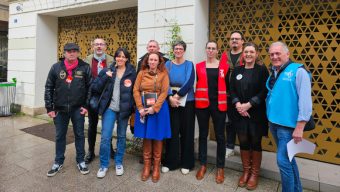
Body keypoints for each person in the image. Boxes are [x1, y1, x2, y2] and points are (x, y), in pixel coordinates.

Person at [266, 41, 312, 192]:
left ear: (287, 54)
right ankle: (297, 189)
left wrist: (300, 127)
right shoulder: (274, 70)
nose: (274, 56)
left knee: (283, 161)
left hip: (288, 126)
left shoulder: (299, 71)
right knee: (289, 159)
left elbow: (305, 102)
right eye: (271, 54)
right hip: (274, 122)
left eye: (278, 53)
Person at [44, 43, 91, 176]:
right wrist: (49, 107)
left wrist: (86, 106)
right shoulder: (56, 67)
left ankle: (81, 160)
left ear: (78, 53)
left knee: (80, 135)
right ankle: (58, 161)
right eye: (68, 51)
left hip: (78, 109)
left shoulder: (85, 67)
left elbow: (90, 89)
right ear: (64, 53)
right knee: (60, 136)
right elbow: (48, 87)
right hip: (60, 109)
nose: (71, 53)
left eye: (74, 51)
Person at [91, 48, 136, 178]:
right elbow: (95, 87)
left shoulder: (132, 73)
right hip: (109, 108)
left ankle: (118, 162)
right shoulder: (107, 70)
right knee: (105, 137)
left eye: (123, 56)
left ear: (127, 58)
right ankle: (103, 165)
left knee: (121, 136)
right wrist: (105, 77)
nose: (120, 59)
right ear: (115, 58)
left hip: (124, 109)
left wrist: (131, 107)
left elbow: (135, 91)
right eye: (118, 56)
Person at [229, 42, 269, 190]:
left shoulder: (262, 70)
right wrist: (238, 104)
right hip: (239, 112)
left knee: (255, 141)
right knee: (243, 141)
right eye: (246, 52)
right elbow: (231, 89)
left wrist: (250, 104)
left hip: (256, 113)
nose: (248, 54)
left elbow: (265, 90)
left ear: (256, 53)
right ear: (243, 54)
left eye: (251, 52)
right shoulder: (237, 70)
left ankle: (254, 173)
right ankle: (246, 171)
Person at [133, 52, 171, 183]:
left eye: (155, 60)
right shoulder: (141, 73)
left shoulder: (164, 74)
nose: (153, 62)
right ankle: (147, 166)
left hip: (159, 110)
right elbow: (136, 90)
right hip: (143, 109)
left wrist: (154, 108)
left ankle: (156, 167)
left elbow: (165, 92)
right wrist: (140, 108)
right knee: (147, 137)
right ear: (147, 61)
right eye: (151, 60)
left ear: (159, 61)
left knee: (158, 137)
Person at [195, 41, 229, 184]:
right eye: (208, 48)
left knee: (220, 136)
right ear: (205, 50)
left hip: (219, 105)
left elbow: (227, 86)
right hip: (202, 105)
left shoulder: (224, 67)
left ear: (217, 51)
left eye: (213, 48)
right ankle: (203, 164)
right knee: (203, 135)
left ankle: (220, 168)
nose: (210, 50)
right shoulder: (199, 66)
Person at [162, 41, 195, 175]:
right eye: (176, 48)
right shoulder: (167, 64)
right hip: (171, 102)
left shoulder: (189, 64)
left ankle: (187, 163)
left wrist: (178, 96)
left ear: (184, 50)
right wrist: (170, 97)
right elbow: (164, 82)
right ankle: (171, 162)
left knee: (187, 132)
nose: (178, 50)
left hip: (187, 101)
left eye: (181, 48)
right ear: (173, 50)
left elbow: (189, 81)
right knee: (172, 132)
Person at [84, 38, 115, 164]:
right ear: (92, 46)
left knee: (107, 125)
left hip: (107, 97)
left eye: (101, 44)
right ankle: (91, 151)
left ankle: (110, 149)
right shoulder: (87, 60)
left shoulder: (112, 60)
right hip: (93, 97)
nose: (99, 46)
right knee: (92, 125)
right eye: (96, 44)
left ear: (105, 47)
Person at [225, 31, 245, 158]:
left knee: (243, 123)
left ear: (242, 41)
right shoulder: (225, 56)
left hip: (243, 96)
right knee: (229, 122)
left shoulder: (247, 53)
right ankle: (230, 146)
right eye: (232, 39)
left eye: (237, 39)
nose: (234, 41)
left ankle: (244, 148)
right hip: (227, 95)